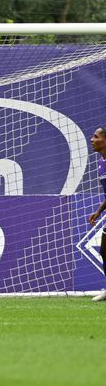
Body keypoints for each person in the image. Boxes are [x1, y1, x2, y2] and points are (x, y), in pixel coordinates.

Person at [88, 127, 106, 301]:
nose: (92, 139)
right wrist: (98, 211)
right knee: (105, 250)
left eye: (96, 136)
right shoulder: (101, 162)